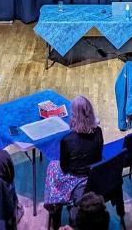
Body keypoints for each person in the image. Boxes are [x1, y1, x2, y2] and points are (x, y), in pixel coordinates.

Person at [44, 96, 103, 229]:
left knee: (52, 167)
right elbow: (98, 155)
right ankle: (58, 205)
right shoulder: (98, 132)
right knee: (54, 167)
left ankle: (55, 207)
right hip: (93, 174)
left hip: (77, 178)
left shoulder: (67, 140)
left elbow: (64, 168)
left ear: (74, 116)